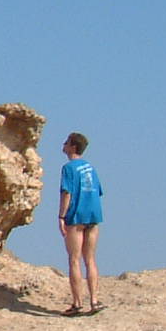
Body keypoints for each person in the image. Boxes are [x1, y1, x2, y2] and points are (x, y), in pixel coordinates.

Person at [58, 132, 103, 314]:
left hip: (76, 216)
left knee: (74, 259)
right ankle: (94, 300)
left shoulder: (68, 168)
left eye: (67, 142)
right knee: (90, 259)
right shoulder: (90, 168)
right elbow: (98, 191)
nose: (63, 144)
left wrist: (61, 216)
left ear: (73, 147)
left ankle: (77, 303)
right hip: (93, 214)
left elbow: (66, 193)